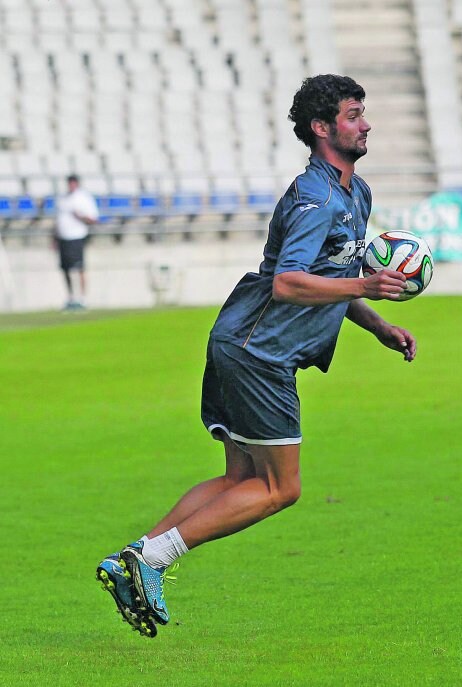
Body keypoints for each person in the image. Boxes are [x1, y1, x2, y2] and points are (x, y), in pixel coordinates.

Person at [96, 74, 416, 638]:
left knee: (242, 475)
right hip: (259, 350)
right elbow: (290, 283)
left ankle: (131, 557)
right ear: (322, 129)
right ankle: (152, 561)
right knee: (280, 488)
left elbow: (334, 274)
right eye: (353, 115)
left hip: (247, 343)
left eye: (364, 114)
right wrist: (366, 290)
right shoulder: (314, 196)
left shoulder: (354, 192)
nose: (366, 125)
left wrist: (377, 324)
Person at [54, 174, 98, 310]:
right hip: (63, 237)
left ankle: (83, 299)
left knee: (80, 268)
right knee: (66, 269)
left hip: (77, 237)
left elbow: (93, 219)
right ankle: (71, 297)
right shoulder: (62, 199)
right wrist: (54, 237)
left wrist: (80, 216)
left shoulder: (84, 198)